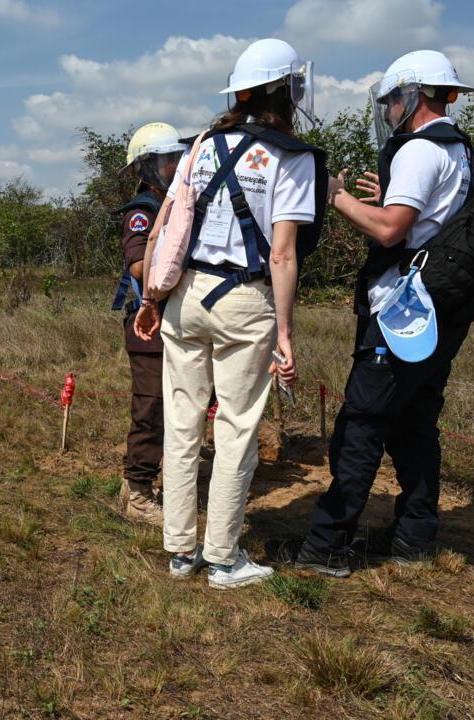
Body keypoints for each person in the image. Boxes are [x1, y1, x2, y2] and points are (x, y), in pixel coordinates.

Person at [267, 50, 474, 577]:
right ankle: (413, 538)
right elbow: (430, 222)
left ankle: (326, 547)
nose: (388, 111)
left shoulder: (418, 151)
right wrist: (390, 200)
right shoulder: (466, 155)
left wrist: (337, 197)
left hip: (402, 314)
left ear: (411, 96)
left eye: (390, 100)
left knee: (361, 425)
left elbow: (391, 231)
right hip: (443, 314)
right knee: (415, 424)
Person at [134, 38, 326, 589]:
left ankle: (178, 550)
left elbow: (173, 228)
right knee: (237, 427)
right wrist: (285, 331)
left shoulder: (201, 146)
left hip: (187, 297)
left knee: (182, 419)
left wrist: (152, 298)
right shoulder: (291, 158)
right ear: (288, 90)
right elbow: (284, 252)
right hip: (246, 300)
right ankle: (222, 557)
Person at [113, 122, 186, 526]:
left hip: (169, 318)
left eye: (175, 158)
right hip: (147, 323)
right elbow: (140, 265)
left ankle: (136, 481)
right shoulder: (143, 212)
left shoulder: (176, 204)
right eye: (163, 161)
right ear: (145, 168)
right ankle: (139, 494)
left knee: (169, 405)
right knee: (151, 407)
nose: (172, 166)